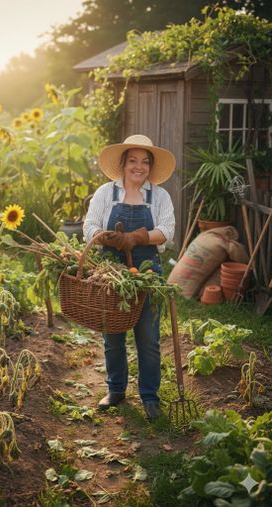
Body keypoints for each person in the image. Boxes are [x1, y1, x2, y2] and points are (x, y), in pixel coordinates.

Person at [83, 134, 176, 422]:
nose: (139, 166)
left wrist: (136, 237)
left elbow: (167, 231)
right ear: (123, 164)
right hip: (112, 273)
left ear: (150, 167)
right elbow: (89, 227)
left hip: (147, 273)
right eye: (133, 160)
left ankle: (149, 396)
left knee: (147, 338)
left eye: (144, 161)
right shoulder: (105, 194)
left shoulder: (159, 196)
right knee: (113, 335)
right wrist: (109, 239)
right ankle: (116, 389)